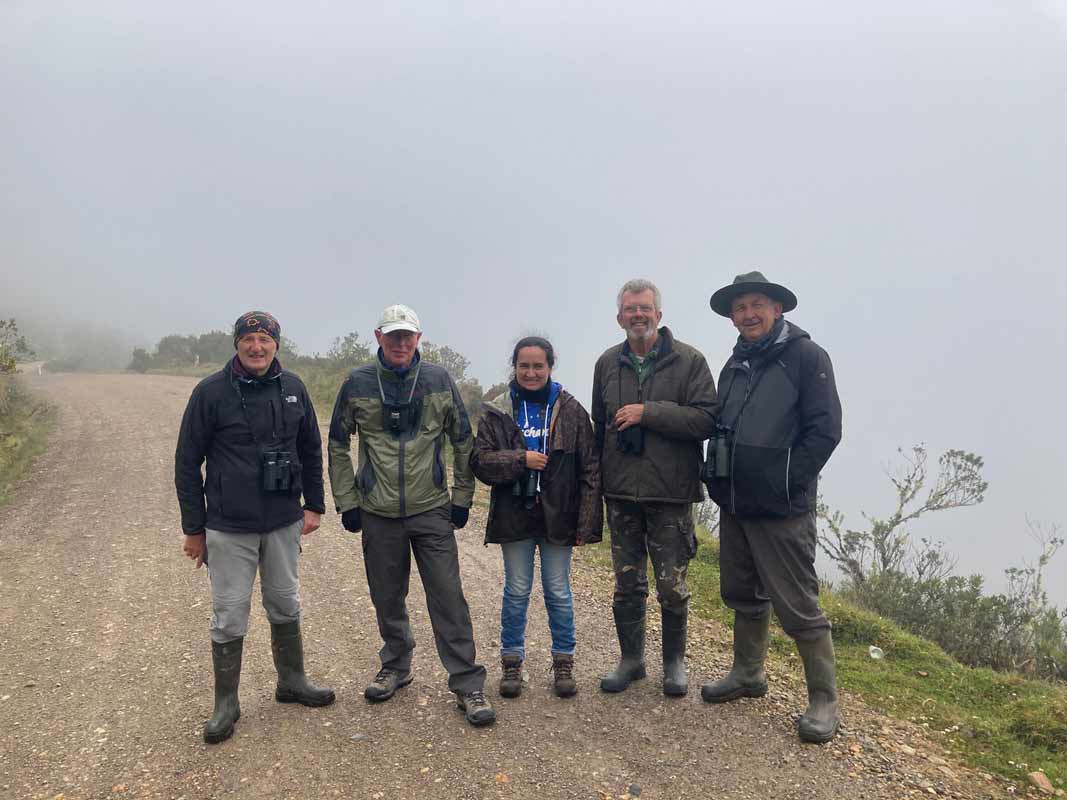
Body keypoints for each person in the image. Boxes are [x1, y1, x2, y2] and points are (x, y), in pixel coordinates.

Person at [327, 304, 495, 727]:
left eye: (408, 336)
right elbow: (336, 444)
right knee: (387, 595)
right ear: (378, 336)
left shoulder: (438, 380)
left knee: (448, 597)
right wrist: (347, 501)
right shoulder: (358, 383)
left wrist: (461, 497)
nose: (401, 343)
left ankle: (467, 683)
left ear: (419, 338)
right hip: (377, 510)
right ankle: (397, 665)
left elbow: (462, 439)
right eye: (393, 335)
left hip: (431, 509)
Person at [175, 311, 335, 745]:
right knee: (229, 614)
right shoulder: (210, 392)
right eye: (249, 339)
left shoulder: (294, 388)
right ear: (237, 344)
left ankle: (292, 681)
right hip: (228, 526)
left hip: (283, 521)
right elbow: (187, 464)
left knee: (285, 602)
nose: (257, 347)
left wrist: (315, 505)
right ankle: (226, 703)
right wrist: (195, 529)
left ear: (277, 345)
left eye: (266, 339)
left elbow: (310, 448)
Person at [701, 271, 843, 743]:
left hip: (782, 508)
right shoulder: (736, 362)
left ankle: (824, 700)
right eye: (740, 308)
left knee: (799, 605)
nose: (748, 314)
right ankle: (748, 674)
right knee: (742, 593)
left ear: (778, 309)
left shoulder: (806, 356)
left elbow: (825, 430)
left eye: (757, 304)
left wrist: (785, 483)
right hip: (737, 503)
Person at [592, 279, 718, 696]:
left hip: (671, 493)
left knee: (671, 586)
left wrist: (649, 412)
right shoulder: (607, 363)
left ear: (659, 315)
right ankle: (631, 662)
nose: (638, 315)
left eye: (645, 308)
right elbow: (598, 429)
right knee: (627, 584)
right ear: (619, 317)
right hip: (622, 493)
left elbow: (705, 421)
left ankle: (674, 664)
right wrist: (597, 485)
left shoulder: (690, 362)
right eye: (630, 309)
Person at [470, 337, 602, 699]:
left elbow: (590, 467)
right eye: (524, 366)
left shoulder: (572, 410)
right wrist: (519, 460)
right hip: (515, 514)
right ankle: (512, 663)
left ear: (550, 367)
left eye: (538, 366)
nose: (530, 373)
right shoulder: (498, 409)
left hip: (559, 514)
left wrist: (587, 523)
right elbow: (479, 461)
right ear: (514, 367)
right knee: (516, 590)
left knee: (558, 591)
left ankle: (564, 663)